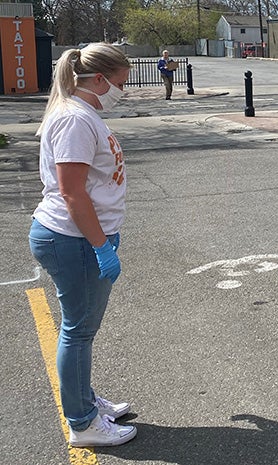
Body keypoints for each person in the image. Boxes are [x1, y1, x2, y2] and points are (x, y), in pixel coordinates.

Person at [28, 43, 136, 447]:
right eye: (120, 83)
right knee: (78, 331)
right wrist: (100, 246)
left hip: (79, 238)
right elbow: (72, 192)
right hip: (73, 239)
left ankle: (84, 400)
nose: (121, 91)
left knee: (80, 329)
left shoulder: (83, 114)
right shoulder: (75, 119)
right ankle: (83, 422)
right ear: (98, 79)